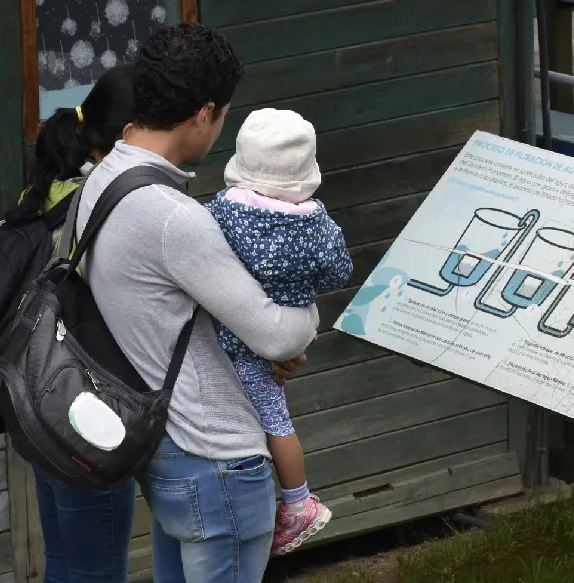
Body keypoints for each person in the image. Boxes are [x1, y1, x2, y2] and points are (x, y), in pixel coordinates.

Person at [71, 23, 318, 582]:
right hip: (217, 457)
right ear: (205, 112)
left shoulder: (101, 180)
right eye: (225, 114)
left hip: (165, 449)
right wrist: (304, 312)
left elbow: (158, 308)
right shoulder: (172, 216)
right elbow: (280, 334)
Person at [206, 108, 353, 555]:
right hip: (292, 327)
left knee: (271, 421)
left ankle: (299, 502)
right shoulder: (316, 223)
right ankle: (295, 498)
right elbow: (338, 272)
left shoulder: (223, 214)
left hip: (232, 340)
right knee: (277, 418)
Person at [21, 63, 142, 583]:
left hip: (36, 401)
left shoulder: (37, 201)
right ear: (125, 136)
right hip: (85, 411)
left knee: (64, 563)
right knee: (98, 573)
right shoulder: (99, 205)